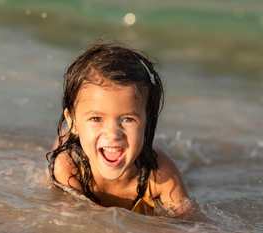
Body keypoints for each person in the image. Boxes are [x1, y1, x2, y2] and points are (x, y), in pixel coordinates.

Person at [46, 40, 208, 222]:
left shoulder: (160, 173)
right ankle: (70, 130)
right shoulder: (69, 168)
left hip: (95, 141)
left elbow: (194, 222)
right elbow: (78, 222)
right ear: (73, 120)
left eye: (127, 119)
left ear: (147, 122)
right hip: (77, 146)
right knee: (57, 152)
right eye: (97, 118)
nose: (113, 134)